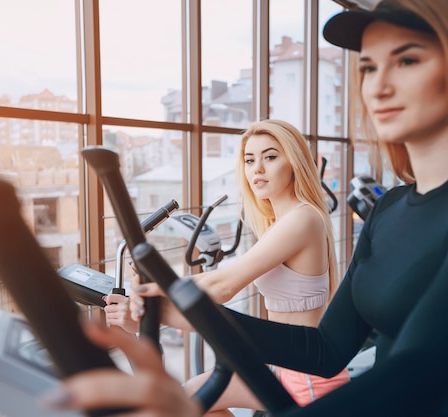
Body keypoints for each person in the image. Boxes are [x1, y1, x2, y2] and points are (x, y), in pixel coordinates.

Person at [41, 0, 448, 416]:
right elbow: (325, 350)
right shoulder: (392, 211)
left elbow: (418, 371)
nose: (378, 85)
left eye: (407, 60)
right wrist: (187, 314)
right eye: (367, 66)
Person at [103, 118, 350, 414]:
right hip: (279, 364)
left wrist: (155, 297)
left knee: (185, 402)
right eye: (249, 160)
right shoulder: (276, 224)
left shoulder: (303, 218)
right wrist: (151, 293)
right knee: (191, 399)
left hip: (306, 375)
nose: (257, 168)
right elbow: (223, 285)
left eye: (270, 157)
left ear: (294, 162)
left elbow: (224, 286)